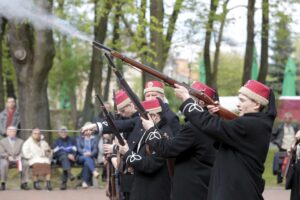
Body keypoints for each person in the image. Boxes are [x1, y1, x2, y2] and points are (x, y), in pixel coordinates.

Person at [174, 80, 277, 200]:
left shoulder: (250, 124)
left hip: (237, 192)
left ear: (256, 105)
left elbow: (209, 124)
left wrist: (187, 99)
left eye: (242, 100)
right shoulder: (257, 123)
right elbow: (221, 132)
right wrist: (218, 114)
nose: (238, 104)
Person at [140, 81, 216, 200]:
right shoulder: (214, 122)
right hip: (203, 186)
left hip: (191, 190)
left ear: (201, 102)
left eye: (189, 97)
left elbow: (167, 149)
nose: (185, 99)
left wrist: (150, 129)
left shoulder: (194, 127)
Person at [118, 98, 172, 200]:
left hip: (153, 192)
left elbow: (150, 164)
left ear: (154, 116)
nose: (140, 121)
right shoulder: (149, 132)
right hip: (142, 188)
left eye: (142, 118)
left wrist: (128, 153)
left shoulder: (163, 134)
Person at [271, 112, 299, 183]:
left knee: (291, 165)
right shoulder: (280, 127)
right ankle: (279, 180)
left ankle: (289, 180)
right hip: (283, 148)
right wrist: (277, 142)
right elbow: (272, 136)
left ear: (291, 119)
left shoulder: (295, 127)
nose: (288, 120)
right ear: (284, 119)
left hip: (292, 149)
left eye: (290, 118)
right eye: (286, 118)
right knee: (280, 164)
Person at [0, 126, 30, 190]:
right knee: (3, 164)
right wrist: (8, 156)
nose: (12, 133)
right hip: (7, 159)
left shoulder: (21, 141)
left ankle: (24, 183)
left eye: (14, 131)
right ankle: (3, 183)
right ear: (7, 132)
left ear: (16, 132)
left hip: (18, 159)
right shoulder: (2, 141)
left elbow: (23, 151)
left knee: (26, 163)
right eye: (10, 131)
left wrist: (19, 156)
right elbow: (1, 152)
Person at [76, 122, 99, 189]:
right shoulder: (79, 138)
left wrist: (91, 154)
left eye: (90, 130)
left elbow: (95, 150)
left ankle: (84, 182)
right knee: (86, 158)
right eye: (86, 130)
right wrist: (84, 153)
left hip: (90, 157)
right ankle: (93, 171)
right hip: (80, 157)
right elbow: (78, 148)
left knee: (86, 163)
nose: (88, 131)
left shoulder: (94, 139)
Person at [289, 130, 300, 200]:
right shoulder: (299, 133)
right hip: (298, 165)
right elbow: (292, 149)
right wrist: (296, 140)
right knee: (296, 189)